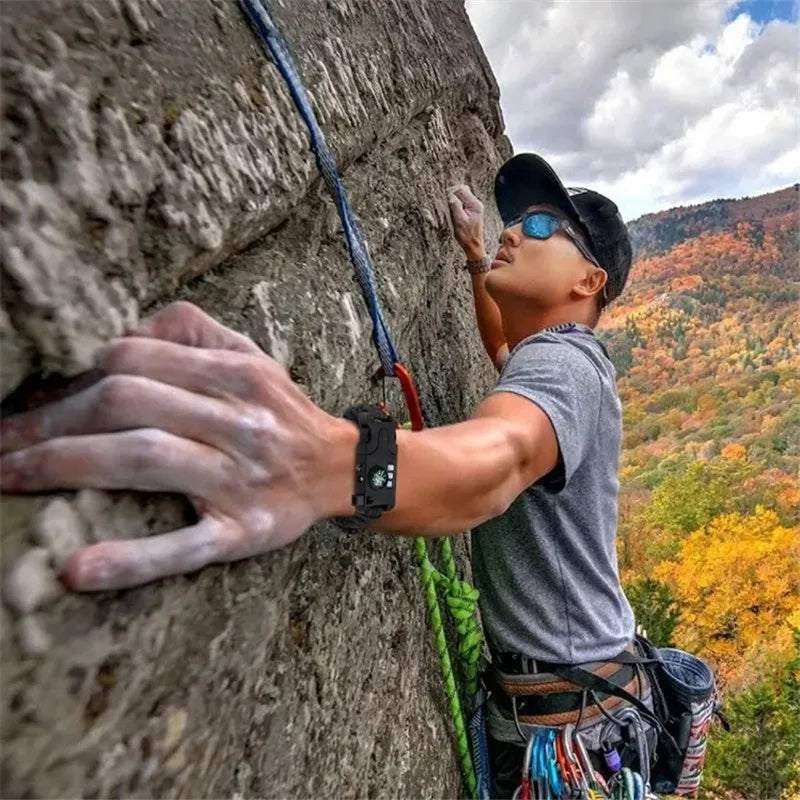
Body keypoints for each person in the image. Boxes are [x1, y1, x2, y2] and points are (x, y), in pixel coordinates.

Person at [0, 153, 640, 796]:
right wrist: (477, 257)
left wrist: (325, 461)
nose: (511, 230)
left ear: (589, 278)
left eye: (537, 227)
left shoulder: (564, 366)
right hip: (582, 703)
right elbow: (502, 351)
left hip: (569, 735)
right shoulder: (556, 361)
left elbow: (501, 459)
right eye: (515, 220)